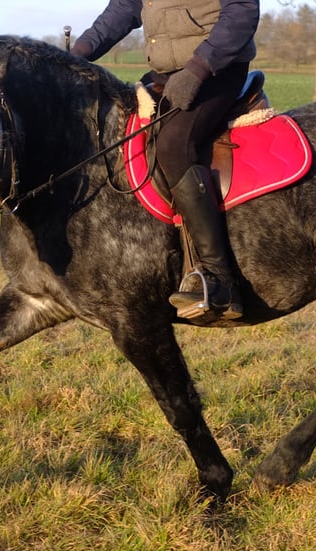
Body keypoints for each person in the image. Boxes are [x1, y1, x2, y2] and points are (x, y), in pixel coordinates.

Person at [71, 0, 260, 320]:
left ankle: (220, 280)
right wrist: (78, 53)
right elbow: (124, 8)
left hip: (216, 69)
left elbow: (242, 11)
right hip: (166, 72)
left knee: (174, 146)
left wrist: (198, 69)